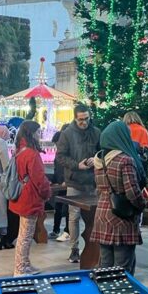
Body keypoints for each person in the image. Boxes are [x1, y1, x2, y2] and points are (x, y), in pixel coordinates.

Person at [92, 121, 147, 275]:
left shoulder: (98, 160)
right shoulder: (125, 160)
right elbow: (132, 193)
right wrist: (142, 205)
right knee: (122, 269)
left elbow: (98, 188)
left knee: (105, 266)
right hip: (121, 218)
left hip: (102, 215)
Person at [55, 104, 101, 264]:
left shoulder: (96, 132)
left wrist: (96, 160)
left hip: (93, 181)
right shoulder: (67, 134)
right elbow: (60, 156)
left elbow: (102, 152)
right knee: (73, 216)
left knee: (95, 215)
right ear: (75, 118)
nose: (84, 122)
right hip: (74, 181)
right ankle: (74, 249)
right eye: (81, 120)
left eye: (86, 119)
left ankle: (94, 247)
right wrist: (77, 165)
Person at [9, 121, 51, 276]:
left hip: (22, 196)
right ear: (31, 133)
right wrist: (47, 193)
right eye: (38, 132)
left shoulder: (20, 150)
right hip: (30, 199)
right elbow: (39, 179)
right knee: (25, 237)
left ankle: (25, 264)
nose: (40, 135)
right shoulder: (31, 154)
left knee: (24, 234)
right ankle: (20, 269)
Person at [49, 125, 70, 240]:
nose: (57, 146)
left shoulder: (69, 153)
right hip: (60, 184)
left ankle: (67, 231)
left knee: (67, 208)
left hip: (68, 184)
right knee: (58, 206)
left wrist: (65, 181)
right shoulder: (59, 154)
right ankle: (56, 229)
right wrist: (53, 181)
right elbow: (57, 169)